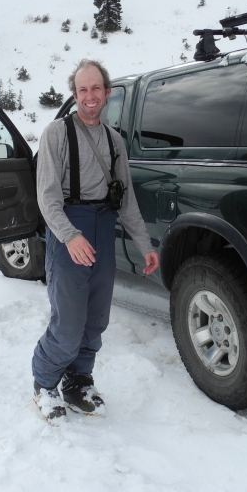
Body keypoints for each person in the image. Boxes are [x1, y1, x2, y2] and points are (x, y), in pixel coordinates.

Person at [32, 59, 159, 423]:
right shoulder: (56, 133)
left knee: (95, 318)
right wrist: (70, 236)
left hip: (103, 227)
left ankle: (78, 379)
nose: (90, 96)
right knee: (68, 321)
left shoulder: (114, 140)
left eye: (96, 88)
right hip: (68, 229)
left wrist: (145, 245)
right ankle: (44, 382)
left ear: (107, 93)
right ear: (75, 95)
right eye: (83, 89)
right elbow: (47, 197)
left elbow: (127, 199)